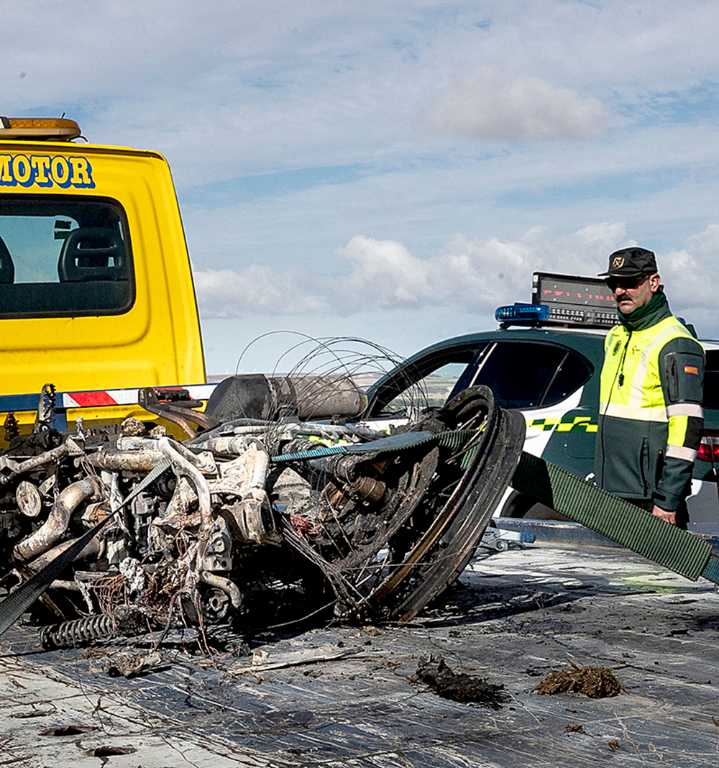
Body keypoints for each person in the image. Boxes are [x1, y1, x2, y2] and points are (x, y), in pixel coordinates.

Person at [594, 247, 705, 528]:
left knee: (648, 575)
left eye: (630, 283)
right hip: (613, 491)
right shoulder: (616, 336)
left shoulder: (675, 343)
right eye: (614, 284)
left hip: (651, 500)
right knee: (614, 573)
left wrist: (667, 500)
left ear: (653, 283)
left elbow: (686, 428)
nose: (620, 291)